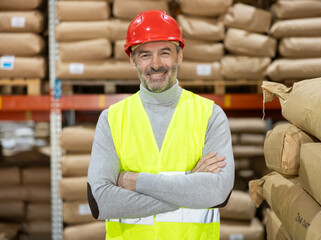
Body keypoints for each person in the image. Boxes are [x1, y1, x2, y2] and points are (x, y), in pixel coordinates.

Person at [87, 10, 234, 240]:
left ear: (179, 55)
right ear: (132, 59)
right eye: (145, 55)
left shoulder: (210, 115)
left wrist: (136, 182)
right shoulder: (112, 119)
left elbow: (218, 192)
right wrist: (190, 188)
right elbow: (99, 202)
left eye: (165, 53)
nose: (156, 64)